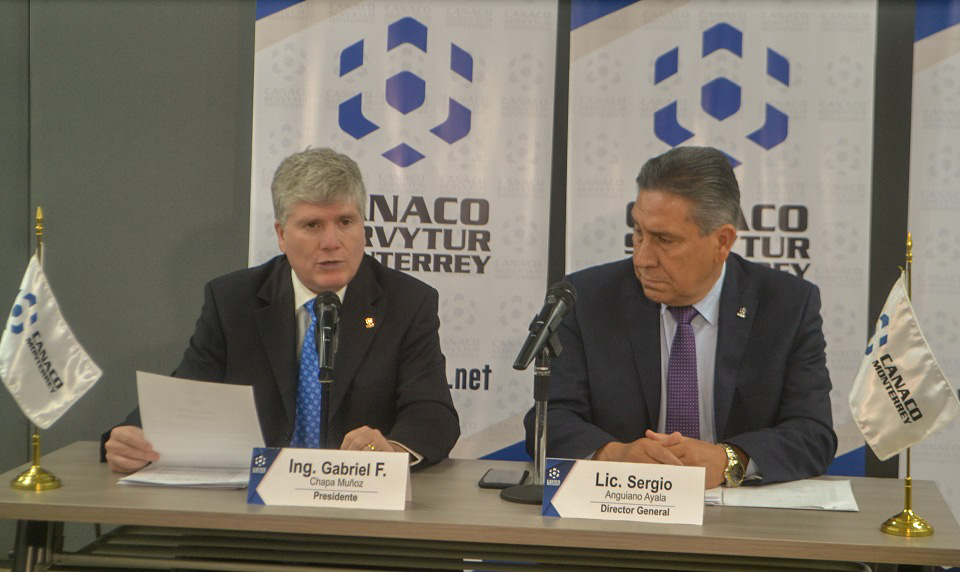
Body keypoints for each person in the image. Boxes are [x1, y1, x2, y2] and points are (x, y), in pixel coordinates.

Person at [104, 147, 459, 472]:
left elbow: (432, 412)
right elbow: (187, 394)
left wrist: (393, 451)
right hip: (255, 497)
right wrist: (133, 438)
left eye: (345, 222)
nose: (331, 242)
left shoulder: (407, 303)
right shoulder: (233, 301)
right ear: (281, 234)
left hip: (355, 498)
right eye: (312, 225)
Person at [525, 146, 836, 487]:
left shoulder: (787, 306)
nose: (642, 259)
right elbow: (548, 420)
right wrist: (614, 455)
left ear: (722, 241)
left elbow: (813, 433)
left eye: (664, 240)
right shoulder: (586, 299)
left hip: (738, 509)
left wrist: (728, 460)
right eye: (638, 232)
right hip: (624, 504)